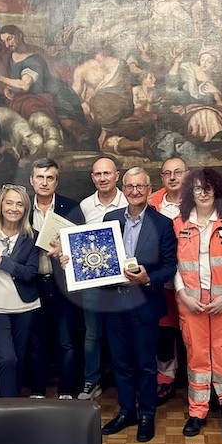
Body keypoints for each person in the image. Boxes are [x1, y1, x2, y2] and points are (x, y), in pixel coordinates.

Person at [98, 167, 176, 442]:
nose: (134, 191)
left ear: (149, 189)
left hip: (144, 302)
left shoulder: (163, 224)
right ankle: (126, 411)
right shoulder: (110, 219)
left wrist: (148, 278)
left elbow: (170, 266)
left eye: (140, 187)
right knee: (120, 362)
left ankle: (146, 414)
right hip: (115, 303)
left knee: (145, 364)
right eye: (130, 187)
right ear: (124, 190)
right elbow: (99, 257)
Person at [174, 168, 222, 438]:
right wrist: (184, 295)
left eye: (208, 188)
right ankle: (197, 412)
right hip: (191, 304)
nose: (203, 193)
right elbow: (175, 265)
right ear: (190, 193)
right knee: (197, 358)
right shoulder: (179, 222)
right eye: (197, 188)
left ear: (217, 190)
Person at [26, 158, 86, 399]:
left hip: (62, 284)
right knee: (36, 341)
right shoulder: (21, 208)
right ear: (31, 180)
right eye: (39, 177)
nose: (44, 182)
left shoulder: (71, 207)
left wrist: (66, 248)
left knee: (66, 341)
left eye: (49, 178)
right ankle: (37, 391)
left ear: (56, 182)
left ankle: (66, 391)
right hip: (32, 284)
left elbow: (81, 246)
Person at [78, 156, 126, 401]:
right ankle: (91, 380)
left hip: (124, 281)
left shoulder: (129, 201)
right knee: (92, 333)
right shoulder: (85, 206)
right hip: (93, 281)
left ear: (117, 175)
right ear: (92, 178)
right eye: (98, 174)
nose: (103, 178)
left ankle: (125, 380)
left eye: (107, 173)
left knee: (123, 332)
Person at [0, 184, 40, 397]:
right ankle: (7, 407)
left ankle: (11, 403)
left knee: (18, 359)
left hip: (25, 306)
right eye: (9, 203)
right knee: (7, 359)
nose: (14, 208)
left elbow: (29, 273)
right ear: (0, 206)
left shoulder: (32, 236)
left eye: (19, 204)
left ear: (25, 209)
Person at [148, 157, 188, 402]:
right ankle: (165, 379)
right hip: (162, 281)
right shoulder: (152, 203)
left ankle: (198, 383)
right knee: (164, 335)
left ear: (187, 175)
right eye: (167, 173)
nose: (173, 177)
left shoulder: (200, 202)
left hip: (193, 281)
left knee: (193, 336)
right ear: (161, 177)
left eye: (178, 172)